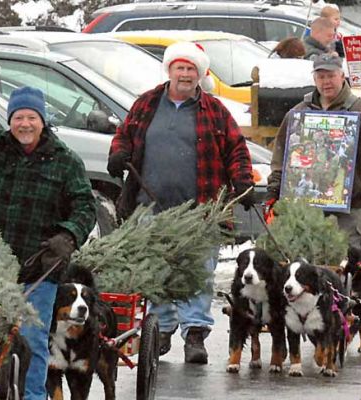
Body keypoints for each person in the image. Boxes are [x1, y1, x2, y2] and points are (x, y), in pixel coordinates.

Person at [0, 69, 97, 399]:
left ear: (43, 121)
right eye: (18, 118)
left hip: (39, 266)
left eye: (31, 117)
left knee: (32, 339)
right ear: (9, 120)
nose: (24, 124)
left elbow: (85, 206)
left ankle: (32, 396)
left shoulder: (64, 161)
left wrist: (68, 236)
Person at [107, 41, 255, 365]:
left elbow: (236, 149)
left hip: (201, 210)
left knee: (198, 273)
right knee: (157, 271)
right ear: (169, 70)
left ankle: (195, 334)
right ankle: (161, 329)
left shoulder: (214, 111)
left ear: (200, 74)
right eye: (180, 67)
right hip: (150, 206)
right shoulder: (146, 104)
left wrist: (243, 179)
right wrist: (118, 154)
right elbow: (124, 135)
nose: (185, 74)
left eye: (191, 69)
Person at [268, 54, 361, 249]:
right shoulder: (298, 113)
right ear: (314, 79)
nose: (326, 82)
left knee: (345, 267)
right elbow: (282, 155)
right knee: (310, 270)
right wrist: (275, 186)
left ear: (342, 76)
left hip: (352, 206)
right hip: (307, 206)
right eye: (321, 77)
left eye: (330, 75)